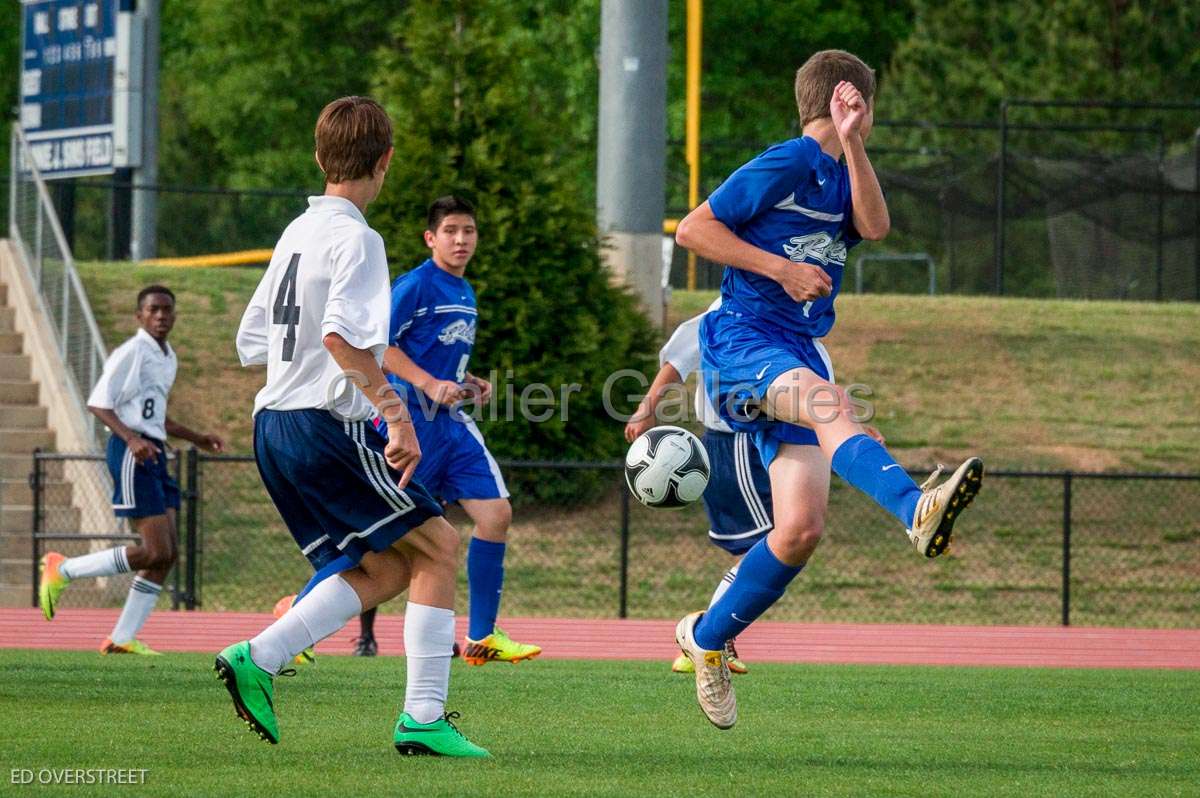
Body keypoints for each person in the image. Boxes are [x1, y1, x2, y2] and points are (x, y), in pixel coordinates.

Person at [673, 50, 984, 729]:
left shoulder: (845, 172)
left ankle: (705, 639)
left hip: (794, 350)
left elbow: (874, 227)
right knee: (832, 405)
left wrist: (851, 145)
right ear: (855, 101)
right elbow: (696, 229)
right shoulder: (784, 162)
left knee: (801, 530)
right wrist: (779, 268)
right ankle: (913, 508)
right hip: (742, 338)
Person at [217, 96, 487, 756]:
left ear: (319, 158)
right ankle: (422, 716)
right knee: (443, 547)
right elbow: (342, 339)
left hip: (273, 426)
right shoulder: (357, 239)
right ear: (387, 161)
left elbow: (250, 340)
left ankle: (263, 655)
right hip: (316, 423)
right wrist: (397, 417)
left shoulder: (297, 232)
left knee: (394, 565)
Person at [626, 300, 883, 676]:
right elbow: (679, 358)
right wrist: (647, 408)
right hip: (736, 443)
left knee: (773, 545)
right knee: (768, 544)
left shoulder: (797, 326)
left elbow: (816, 399)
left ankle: (710, 636)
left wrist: (853, 429)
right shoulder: (730, 311)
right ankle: (708, 637)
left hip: (771, 439)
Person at [372, 195, 539, 666]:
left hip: (451, 424)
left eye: (468, 230)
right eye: (450, 231)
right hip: (409, 422)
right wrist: (427, 383)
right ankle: (296, 611)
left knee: (496, 514)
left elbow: (438, 353)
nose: (461, 239)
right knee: (383, 545)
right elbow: (378, 348)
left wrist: (466, 382)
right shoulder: (416, 286)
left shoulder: (465, 292)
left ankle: (482, 636)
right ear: (431, 238)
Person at [38, 286, 225, 655]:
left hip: (153, 451)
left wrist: (197, 437)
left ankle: (123, 638)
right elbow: (99, 403)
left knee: (167, 554)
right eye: (153, 310)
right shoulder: (131, 352)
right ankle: (63, 570)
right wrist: (130, 439)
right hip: (131, 452)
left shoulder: (166, 356)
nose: (161, 316)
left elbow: (155, 415)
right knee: (155, 549)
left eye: (167, 310)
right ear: (139, 316)